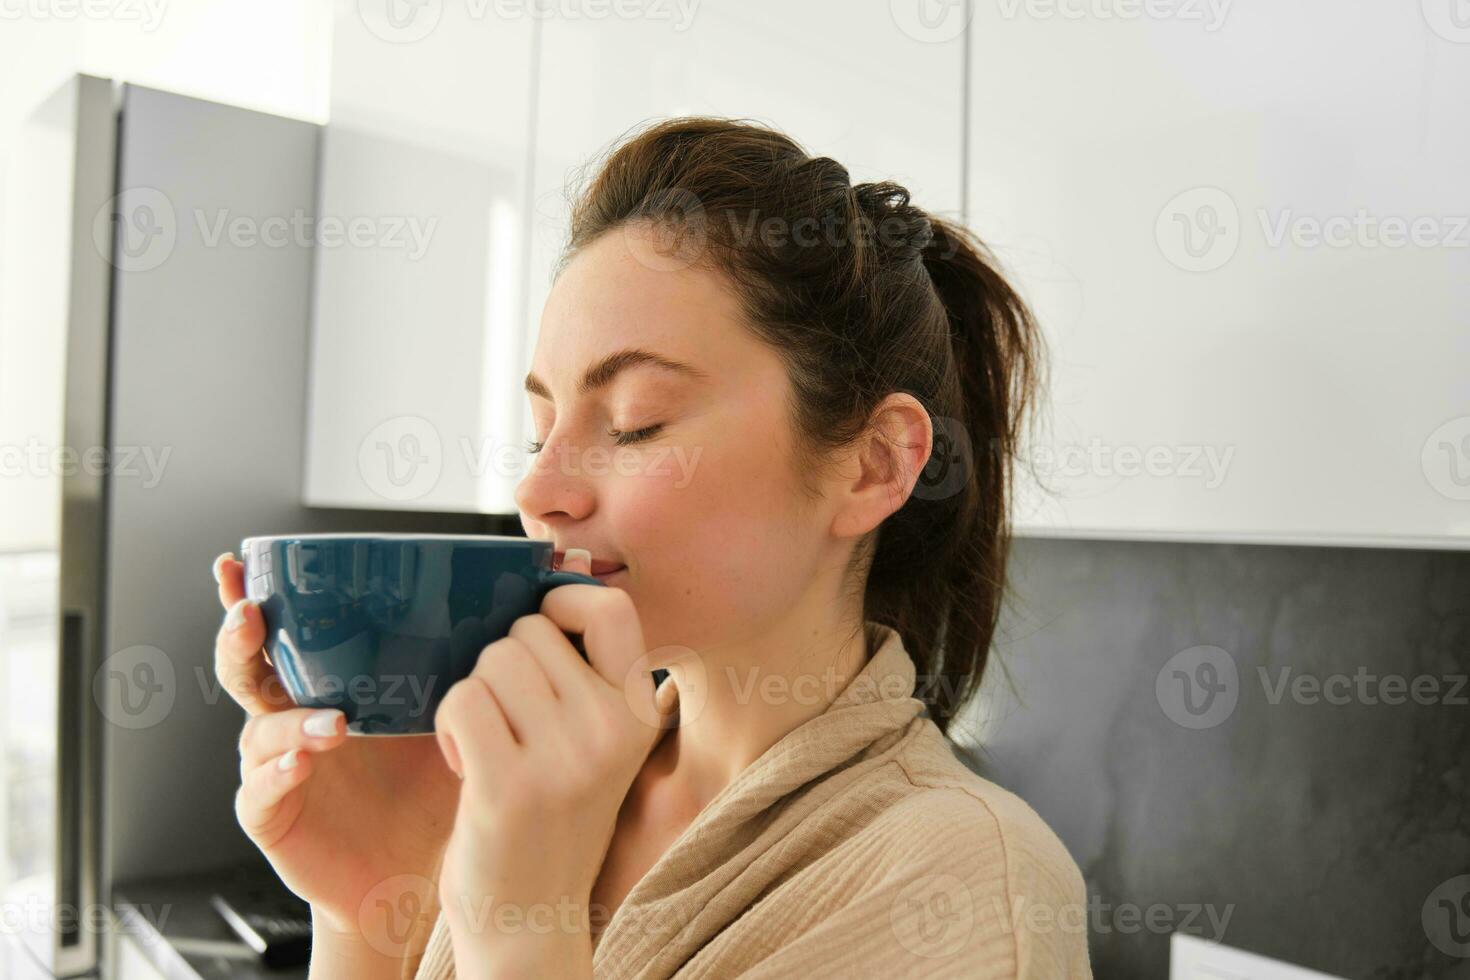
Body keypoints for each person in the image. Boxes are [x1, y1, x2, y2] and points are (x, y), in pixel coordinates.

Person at [212, 116, 1092, 979]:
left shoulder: (967, 886)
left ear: (873, 464)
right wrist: (370, 912)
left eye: (636, 424)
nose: (535, 491)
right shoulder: (532, 787)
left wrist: (521, 936)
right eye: (541, 432)